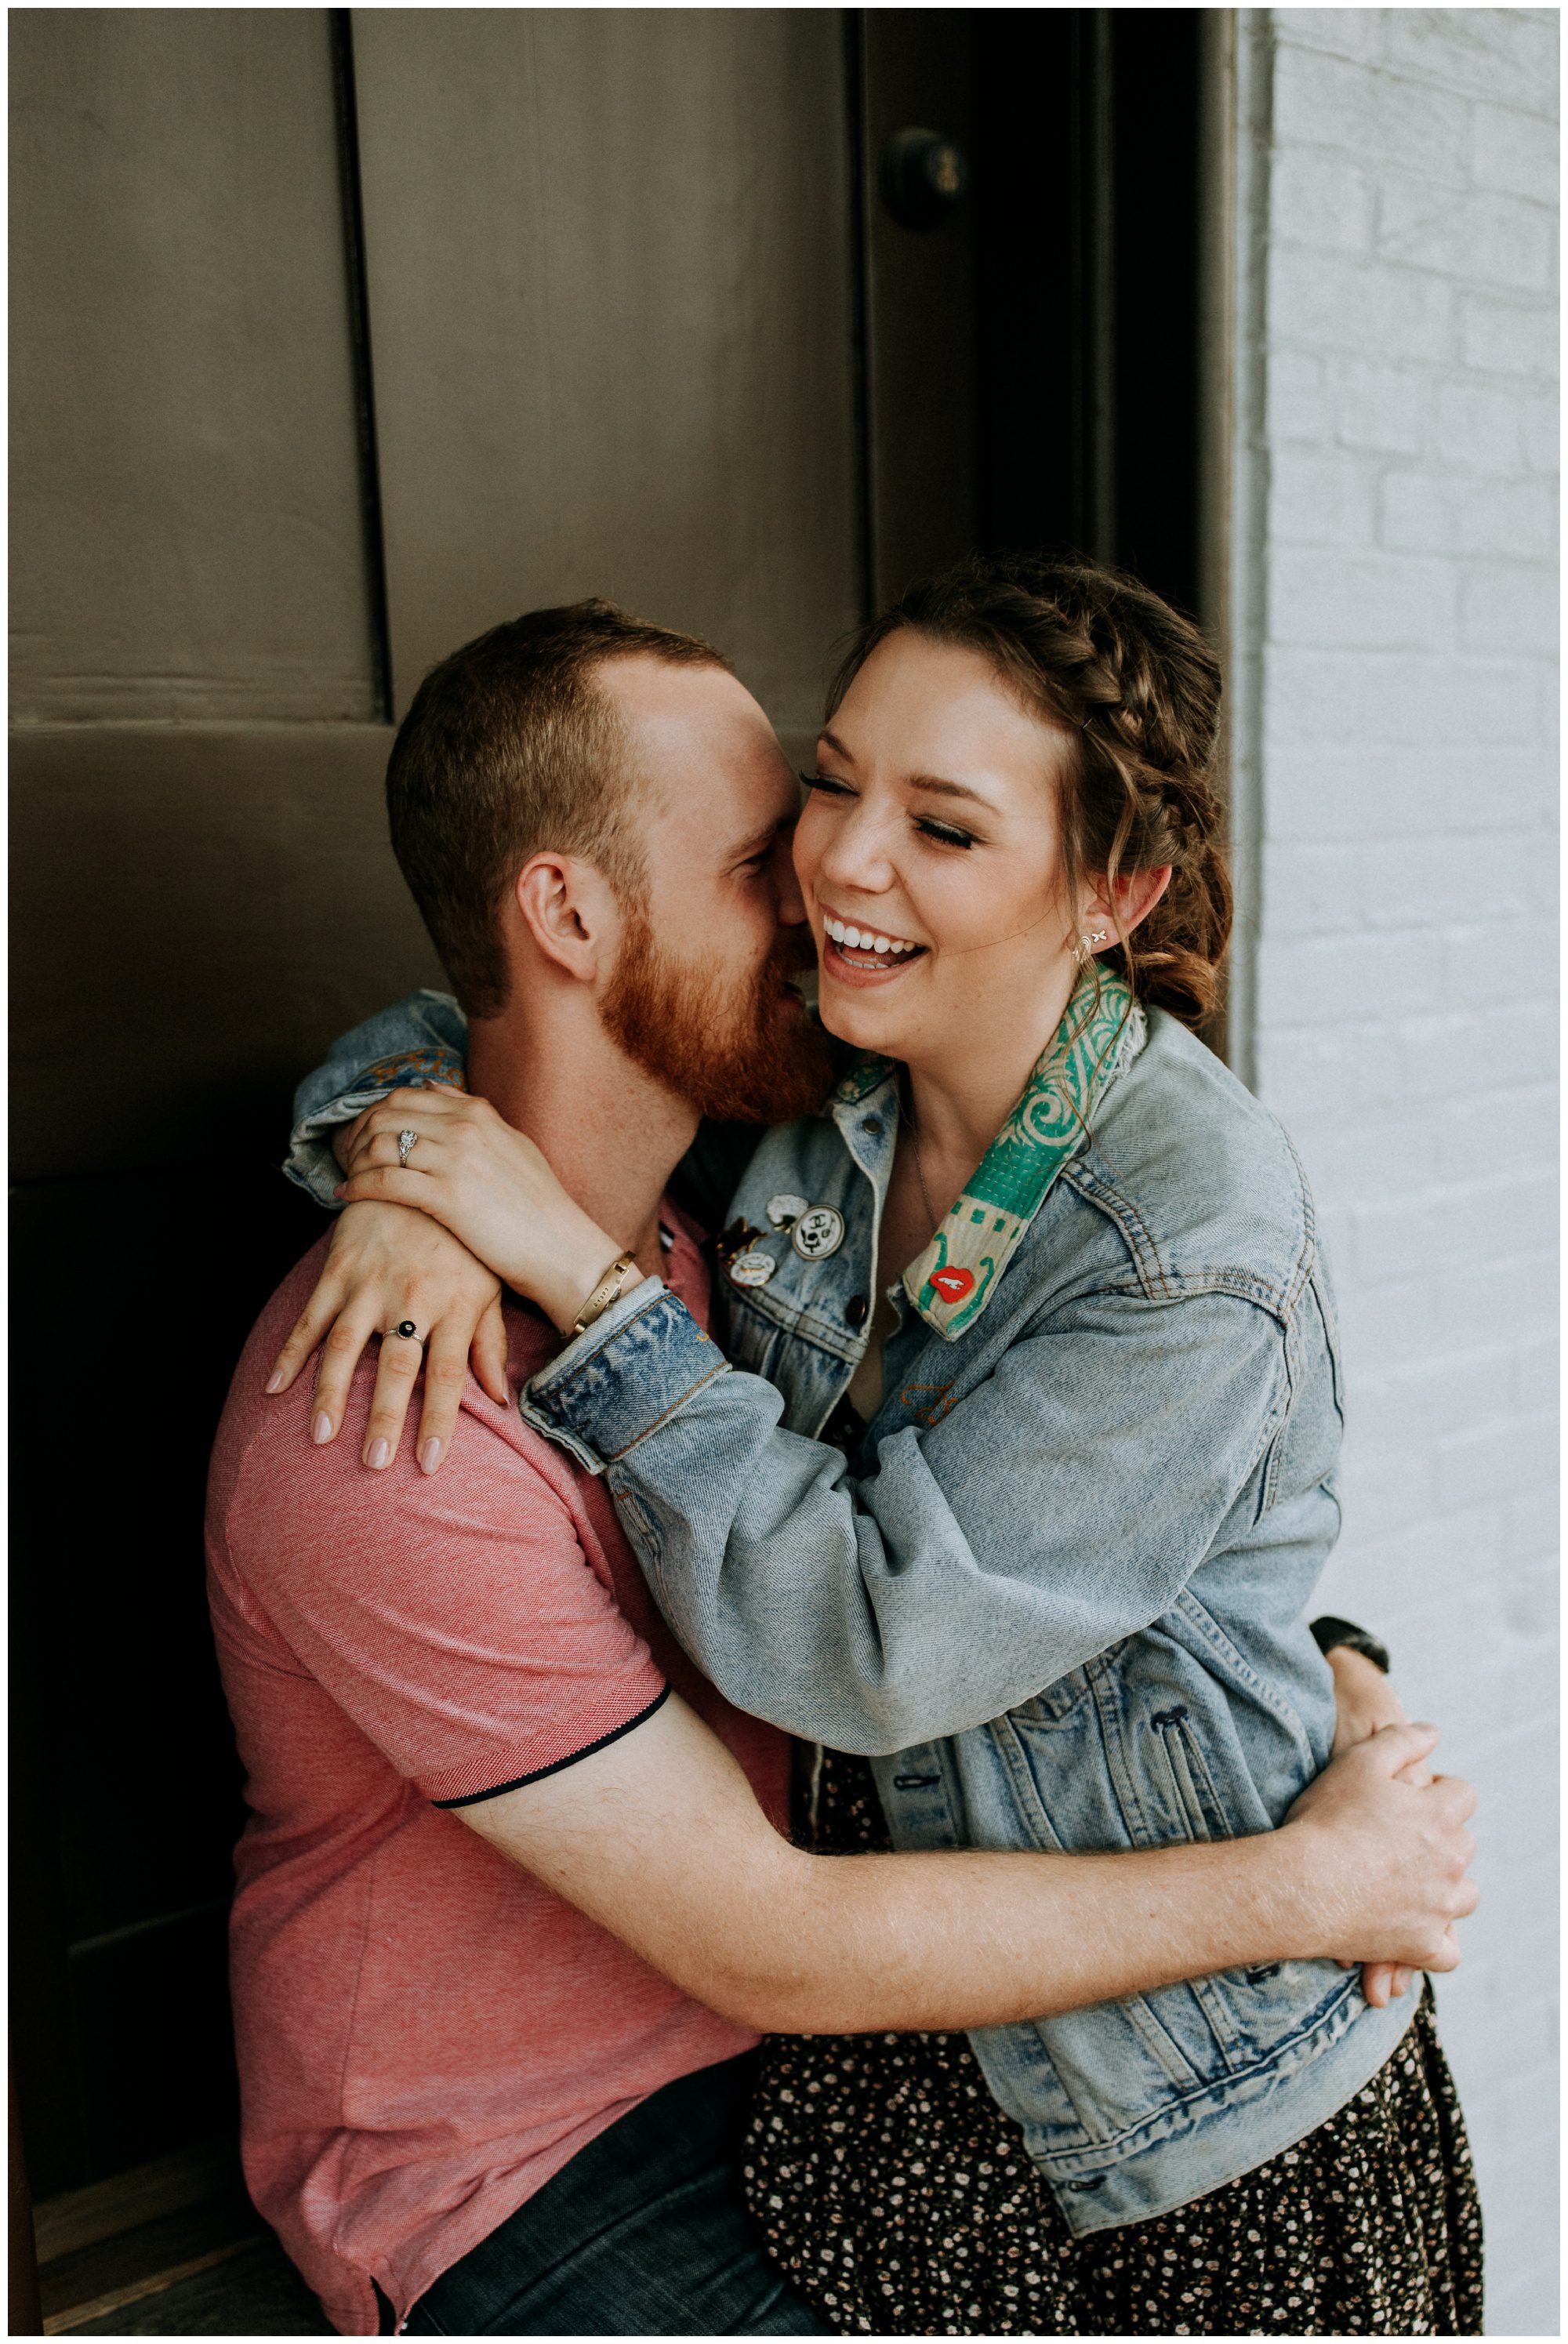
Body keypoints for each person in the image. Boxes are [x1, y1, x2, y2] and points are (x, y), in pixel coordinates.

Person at [279, 565, 1483, 2335]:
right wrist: (403, 1154)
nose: (841, 862)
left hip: (1184, 2105)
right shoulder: (826, 1082)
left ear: (1111, 892)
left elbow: (866, 1640)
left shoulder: (1184, 1233)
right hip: (892, 2098)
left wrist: (566, 1270)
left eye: (943, 825)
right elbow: (531, 988)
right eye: (832, 785)